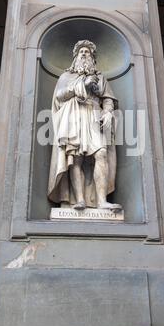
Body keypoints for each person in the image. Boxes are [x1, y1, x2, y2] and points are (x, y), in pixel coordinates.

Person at [48, 40, 121, 211]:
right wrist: (82, 85)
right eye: (80, 52)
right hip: (73, 116)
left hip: (95, 114)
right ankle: (79, 199)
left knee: (101, 154)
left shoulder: (100, 78)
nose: (83, 54)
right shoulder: (66, 77)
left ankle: (102, 201)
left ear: (92, 58)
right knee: (75, 158)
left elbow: (108, 99)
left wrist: (108, 112)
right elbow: (59, 97)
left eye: (87, 52)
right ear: (75, 57)